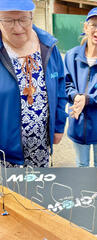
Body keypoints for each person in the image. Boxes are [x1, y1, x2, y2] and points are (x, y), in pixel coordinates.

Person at [0, 0, 67, 168]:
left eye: (23, 19)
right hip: (4, 157)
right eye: (8, 20)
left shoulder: (48, 46)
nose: (17, 28)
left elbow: (60, 87)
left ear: (32, 16)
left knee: (39, 193)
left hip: (41, 151)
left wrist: (58, 127)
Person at [64, 7, 97, 167]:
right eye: (94, 25)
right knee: (82, 166)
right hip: (78, 124)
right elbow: (66, 84)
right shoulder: (72, 56)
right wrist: (76, 97)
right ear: (86, 27)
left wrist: (88, 99)